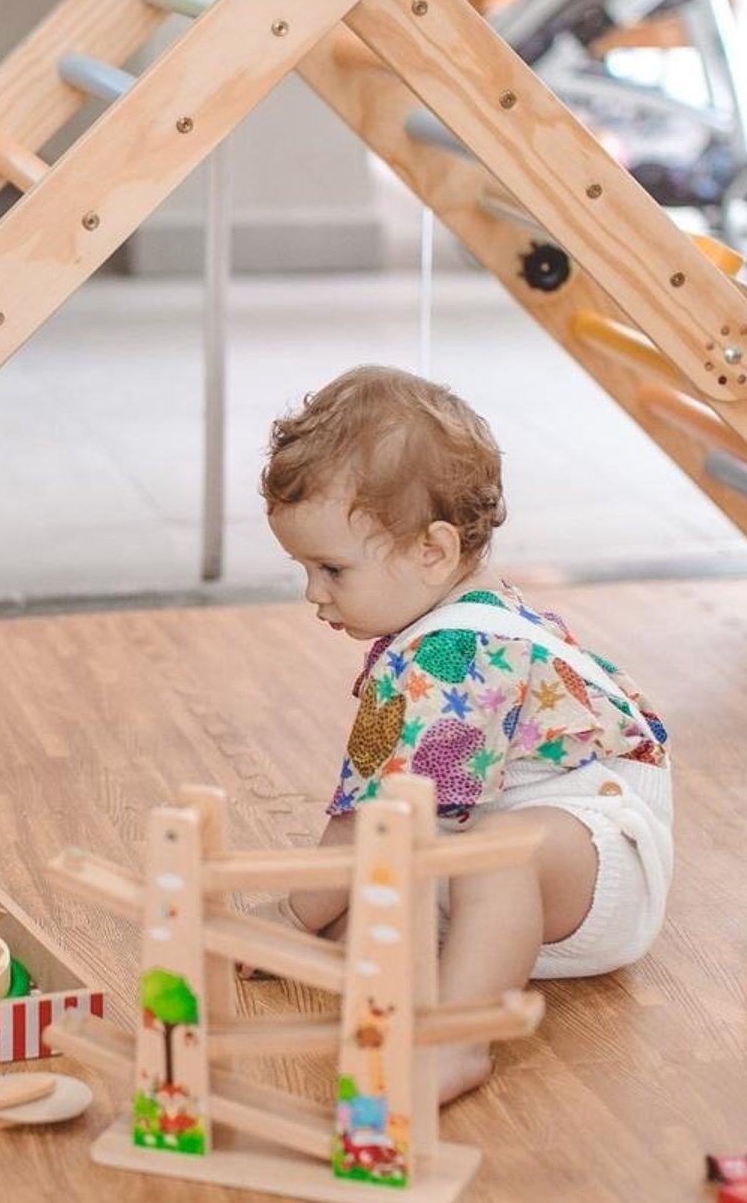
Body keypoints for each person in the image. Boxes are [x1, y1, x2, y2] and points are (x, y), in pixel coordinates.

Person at [248, 365, 673, 1101]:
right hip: (531, 850)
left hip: (598, 860)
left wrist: (285, 917)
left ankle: (457, 1041)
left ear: (433, 553)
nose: (313, 592)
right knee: (379, 905)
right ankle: (450, 956)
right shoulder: (460, 614)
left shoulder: (448, 655)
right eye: (305, 569)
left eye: (330, 568)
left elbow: (368, 824)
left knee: (478, 860)